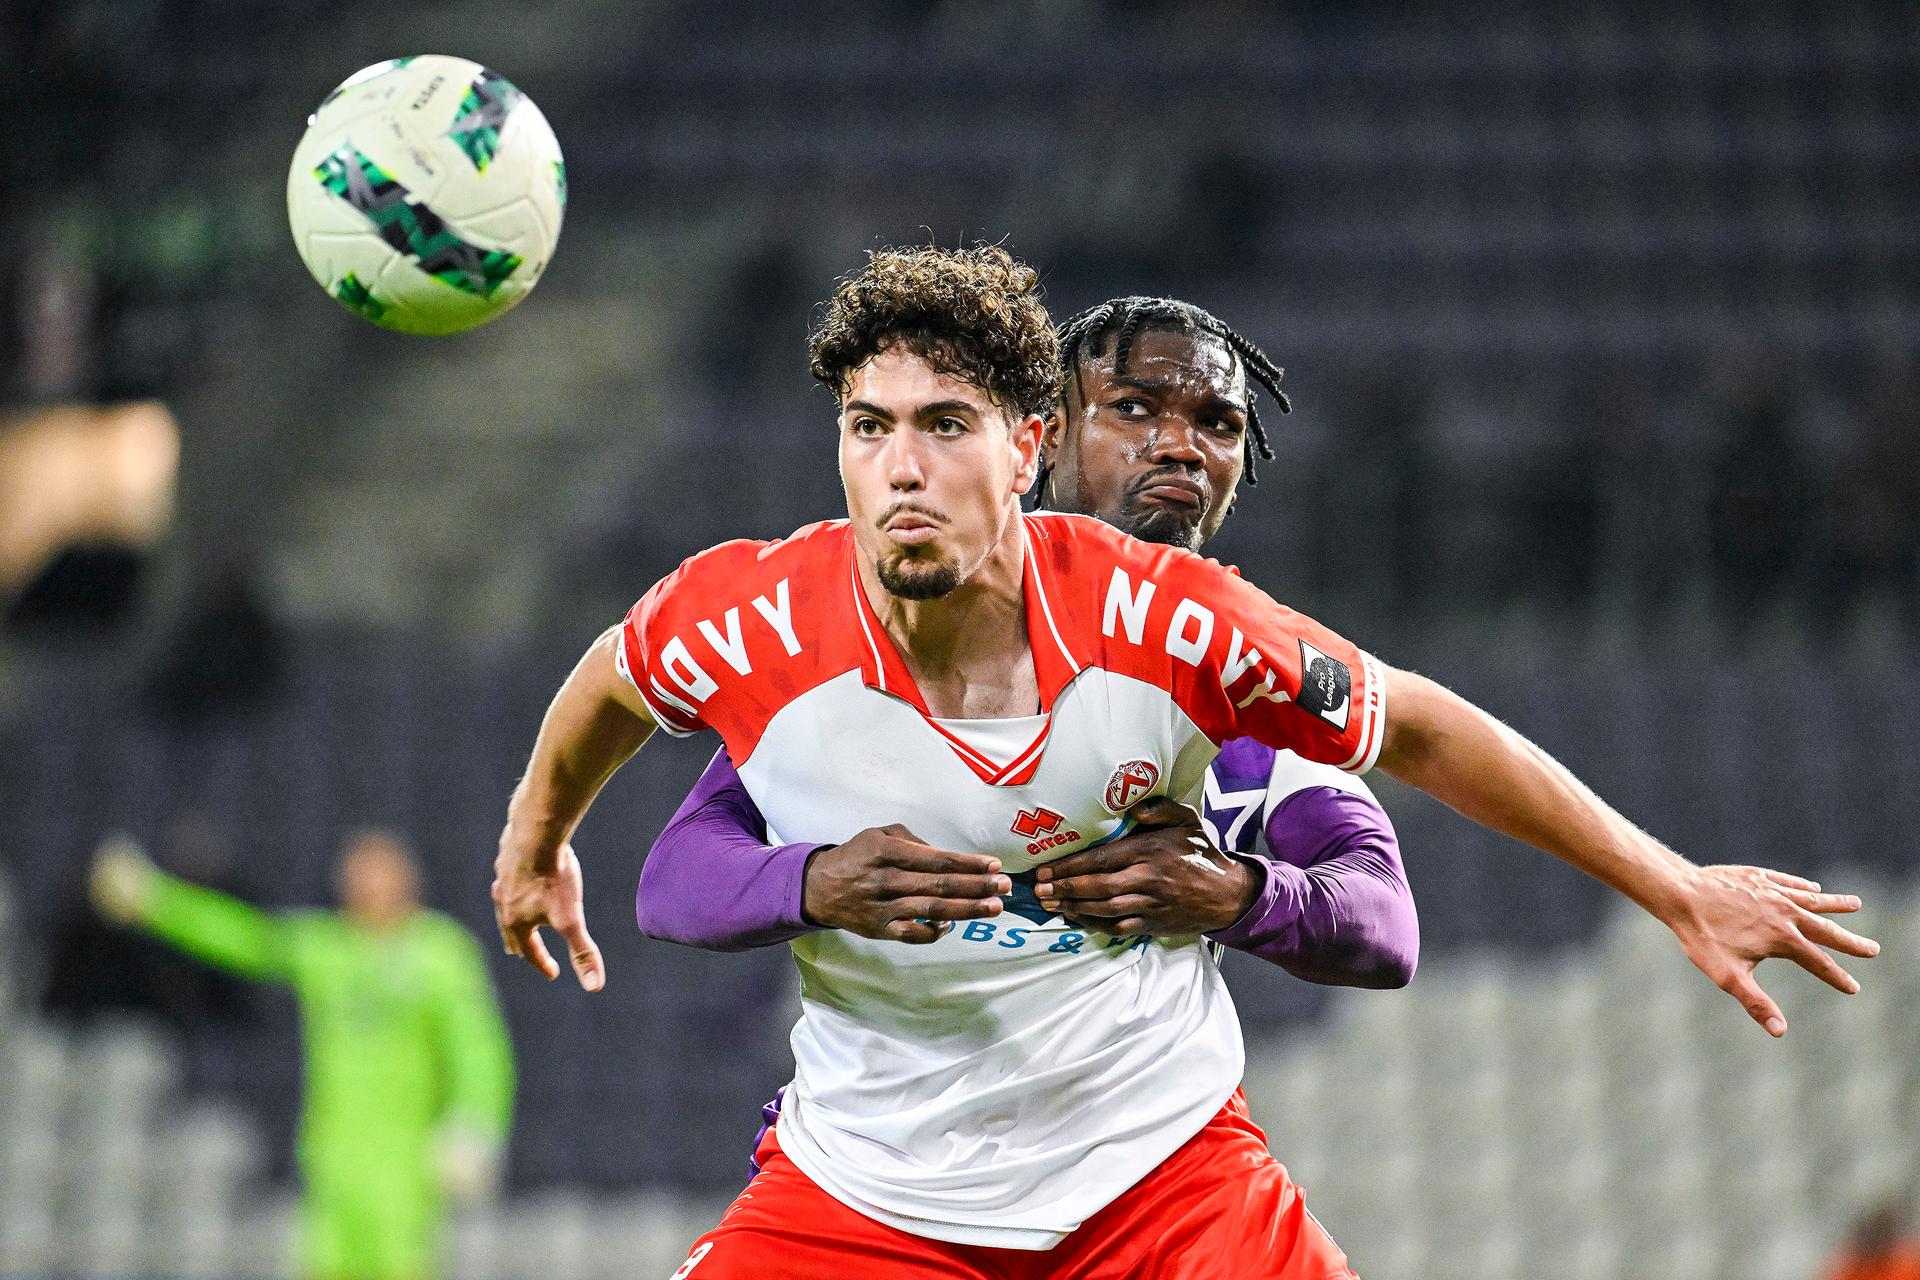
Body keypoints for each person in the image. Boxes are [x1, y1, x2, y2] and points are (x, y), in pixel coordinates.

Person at [491, 244, 1876, 1278]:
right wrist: (547, 839)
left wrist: (1671, 883)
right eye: (870, 428)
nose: (902, 466)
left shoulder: (1180, 631)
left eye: (945, 425)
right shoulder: (755, 620)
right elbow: (619, 689)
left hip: (1157, 1179)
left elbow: (1423, 737)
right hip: (872, 1195)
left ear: (1025, 449)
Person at [636, 296, 1418, 1001]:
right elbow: (677, 876)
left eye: (1217, 424)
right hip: (887, 1129)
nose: (1178, 446)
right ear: (1038, 440)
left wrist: (1241, 894)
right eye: (1133, 409)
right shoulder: (882, 627)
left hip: (1132, 1134)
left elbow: (1384, 920)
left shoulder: (1233, 671)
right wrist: (812, 883)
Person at [93, 828, 515, 1280]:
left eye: (379, 873)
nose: (368, 886)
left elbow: (478, 1046)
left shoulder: (440, 954)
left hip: (403, 1168)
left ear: (408, 880)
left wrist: (476, 1123)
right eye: (358, 875)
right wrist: (155, 899)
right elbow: (247, 939)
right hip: (331, 1163)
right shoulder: (328, 950)